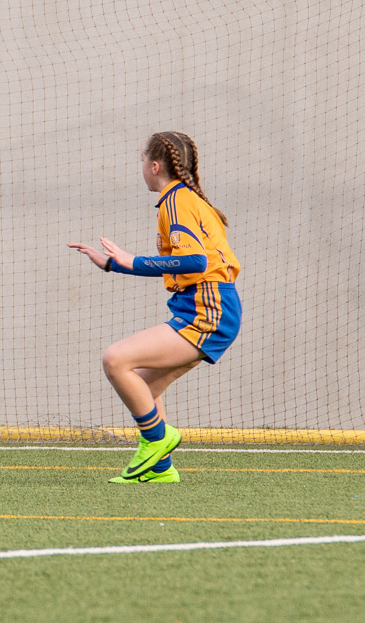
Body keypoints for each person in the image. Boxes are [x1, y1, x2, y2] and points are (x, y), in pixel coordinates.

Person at [69, 131, 241, 483]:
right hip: (205, 306)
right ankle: (160, 469)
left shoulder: (176, 202)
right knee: (143, 388)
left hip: (208, 309)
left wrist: (130, 261)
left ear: (155, 165)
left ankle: (157, 439)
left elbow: (194, 261)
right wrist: (112, 264)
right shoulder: (181, 199)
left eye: (142, 162)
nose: (142, 170)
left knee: (115, 359)